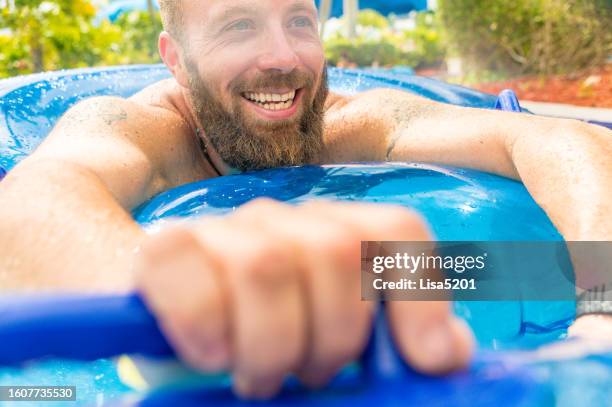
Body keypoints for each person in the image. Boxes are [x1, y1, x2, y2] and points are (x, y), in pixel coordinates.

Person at [0, 0, 610, 400]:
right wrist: (198, 302)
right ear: (176, 61)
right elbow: (33, 201)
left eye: (298, 21)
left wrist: (600, 310)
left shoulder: (353, 123)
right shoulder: (139, 130)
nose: (284, 58)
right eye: (239, 26)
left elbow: (552, 138)